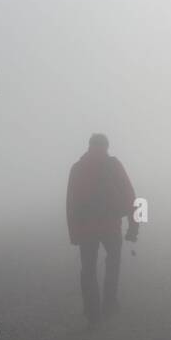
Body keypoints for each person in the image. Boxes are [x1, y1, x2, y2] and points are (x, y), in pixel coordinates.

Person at [66, 133, 139, 324]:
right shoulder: (113, 165)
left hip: (86, 228)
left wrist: (73, 233)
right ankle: (109, 304)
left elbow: (71, 204)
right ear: (107, 146)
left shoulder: (77, 168)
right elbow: (130, 194)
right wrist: (133, 226)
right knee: (113, 263)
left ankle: (92, 314)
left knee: (88, 270)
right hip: (111, 226)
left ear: (89, 145)